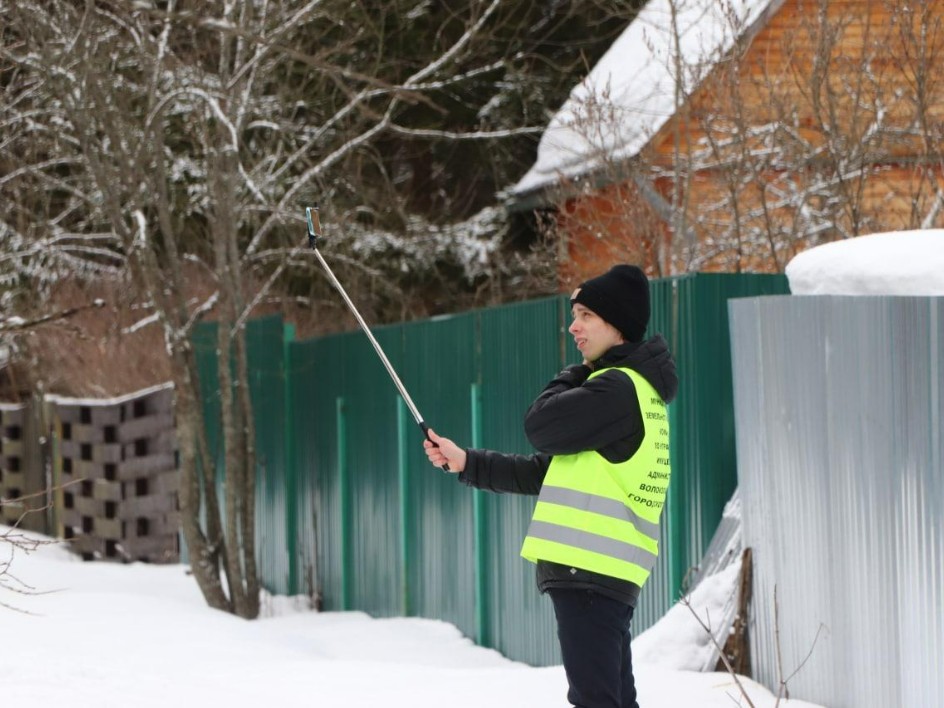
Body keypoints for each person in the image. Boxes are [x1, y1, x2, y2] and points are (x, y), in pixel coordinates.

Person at [423, 264, 678, 708]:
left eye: (585, 315)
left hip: (590, 572)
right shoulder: (633, 391)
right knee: (614, 698)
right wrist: (466, 462)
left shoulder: (616, 388)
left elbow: (539, 425)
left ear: (615, 324)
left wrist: (576, 373)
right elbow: (546, 472)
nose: (572, 326)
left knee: (596, 699)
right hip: (603, 574)